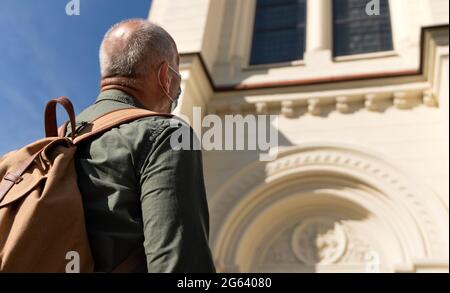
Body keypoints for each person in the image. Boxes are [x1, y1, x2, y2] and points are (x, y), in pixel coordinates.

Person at [72, 19, 216, 273]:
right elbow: (179, 266)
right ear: (165, 77)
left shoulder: (60, 139)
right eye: (177, 77)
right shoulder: (166, 135)